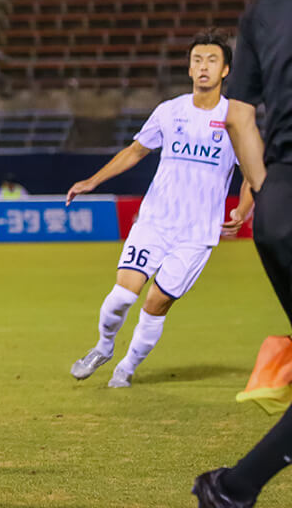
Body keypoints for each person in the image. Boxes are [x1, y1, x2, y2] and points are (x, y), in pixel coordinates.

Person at [66, 31, 252, 388]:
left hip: (197, 234)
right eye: (197, 60)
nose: (203, 67)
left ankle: (127, 367)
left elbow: (250, 173)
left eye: (211, 61)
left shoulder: (236, 119)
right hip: (155, 221)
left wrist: (243, 208)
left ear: (225, 70)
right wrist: (93, 180)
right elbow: (135, 151)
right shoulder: (170, 112)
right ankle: (104, 347)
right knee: (121, 296)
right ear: (189, 68)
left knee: (156, 302)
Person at [193, 0, 292, 508]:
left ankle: (232, 489)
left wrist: (266, 187)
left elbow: (240, 112)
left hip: (282, 205)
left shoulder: (267, 1)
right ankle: (232, 490)